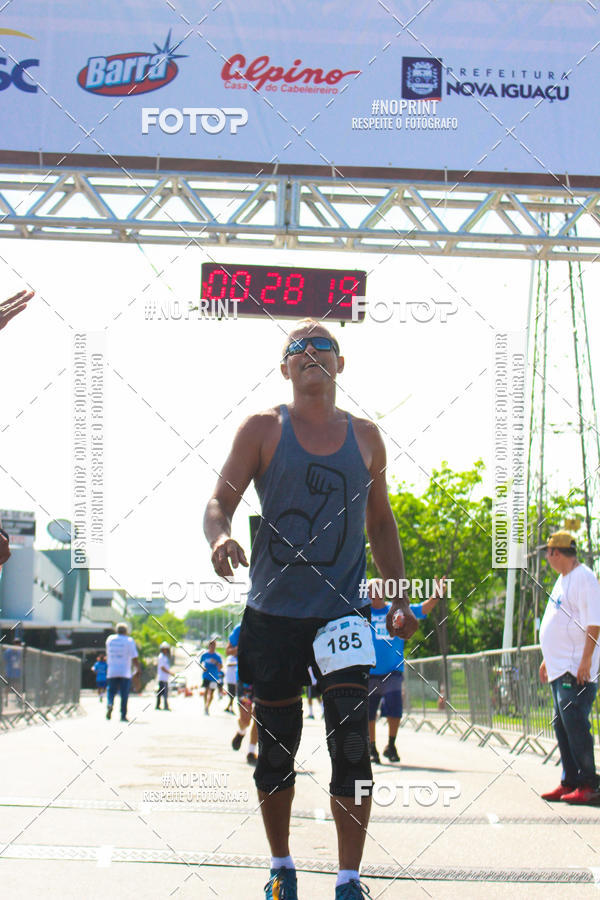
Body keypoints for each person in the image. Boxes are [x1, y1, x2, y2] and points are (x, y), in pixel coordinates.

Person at [204, 318, 418, 900]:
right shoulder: (262, 428)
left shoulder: (367, 437)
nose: (309, 352)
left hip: (342, 618)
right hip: (273, 617)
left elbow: (380, 523)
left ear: (339, 363)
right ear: (284, 368)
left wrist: (398, 595)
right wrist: (220, 538)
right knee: (277, 750)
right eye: (295, 347)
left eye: (321, 344)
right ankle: (282, 867)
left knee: (352, 750)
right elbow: (217, 503)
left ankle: (350, 879)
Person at [539, 530, 600, 805]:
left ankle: (589, 783)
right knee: (562, 723)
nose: (547, 556)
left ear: (555, 552)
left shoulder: (584, 578)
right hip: (559, 666)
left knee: (574, 722)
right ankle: (570, 781)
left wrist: (586, 659)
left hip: (576, 668)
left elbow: (594, 622)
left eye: (548, 551)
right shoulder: (562, 580)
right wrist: (546, 657)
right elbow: (558, 622)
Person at [367, 576, 445, 764]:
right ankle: (371, 747)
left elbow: (421, 609)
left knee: (395, 710)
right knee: (369, 712)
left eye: (378, 589)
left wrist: (436, 596)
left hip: (393, 671)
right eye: (371, 589)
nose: (374, 593)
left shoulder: (396, 611)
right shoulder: (362, 613)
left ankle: (391, 745)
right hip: (369, 672)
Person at [228, 622, 258, 765]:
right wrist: (240, 649)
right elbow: (228, 650)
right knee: (246, 719)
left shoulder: (268, 626)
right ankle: (241, 732)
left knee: (259, 718)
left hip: (262, 680)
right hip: (245, 680)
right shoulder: (240, 629)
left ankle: (251, 752)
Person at [105, 622, 139, 722]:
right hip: (125, 671)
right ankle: (123, 715)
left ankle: (110, 703)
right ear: (126, 631)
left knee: (111, 691)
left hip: (112, 670)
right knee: (124, 694)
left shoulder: (110, 639)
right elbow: (134, 657)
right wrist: (137, 669)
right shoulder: (129, 640)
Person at [199, 636, 222, 715]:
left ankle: (207, 706)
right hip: (206, 676)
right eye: (211, 645)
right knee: (206, 691)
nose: (212, 647)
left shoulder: (217, 656)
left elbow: (220, 667)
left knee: (211, 693)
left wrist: (215, 662)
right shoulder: (205, 655)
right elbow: (200, 663)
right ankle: (205, 706)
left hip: (214, 677)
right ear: (209, 646)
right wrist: (203, 668)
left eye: (214, 646)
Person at [156, 642, 174, 710]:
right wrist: (170, 672)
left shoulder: (165, 657)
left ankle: (158, 705)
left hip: (165, 678)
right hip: (162, 677)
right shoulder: (161, 657)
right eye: (164, 649)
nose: (166, 650)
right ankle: (165, 706)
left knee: (161, 692)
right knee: (164, 692)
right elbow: (162, 667)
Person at [224, 648, 238, 713]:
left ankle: (229, 707)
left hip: (236, 679)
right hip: (230, 679)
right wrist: (236, 663)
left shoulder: (238, 658)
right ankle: (230, 707)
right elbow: (228, 664)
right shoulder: (230, 657)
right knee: (231, 694)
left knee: (233, 694)